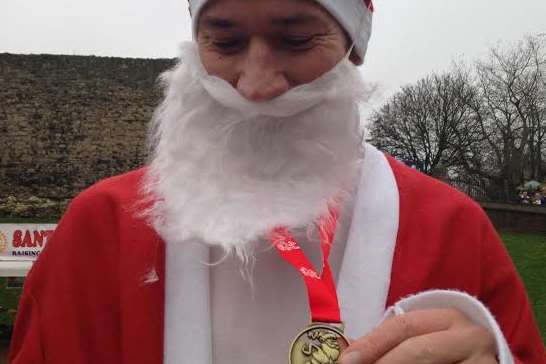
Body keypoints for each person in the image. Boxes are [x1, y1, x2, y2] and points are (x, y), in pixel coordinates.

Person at [9, 0, 545, 363]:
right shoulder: (101, 225)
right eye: (226, 41)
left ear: (353, 48)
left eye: (295, 40)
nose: (257, 84)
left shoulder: (450, 226)